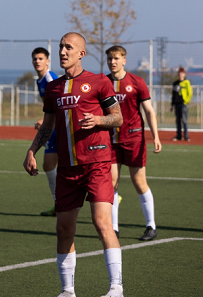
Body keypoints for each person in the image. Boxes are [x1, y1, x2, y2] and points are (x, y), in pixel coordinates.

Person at [24, 33, 124, 297]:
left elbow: (117, 118)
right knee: (63, 228)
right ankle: (68, 291)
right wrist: (32, 150)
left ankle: (116, 289)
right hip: (68, 169)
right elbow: (47, 125)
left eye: (69, 47)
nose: (63, 51)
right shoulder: (54, 88)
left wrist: (99, 121)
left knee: (102, 223)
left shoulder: (99, 81)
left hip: (98, 164)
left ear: (82, 53)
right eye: (60, 47)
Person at [105, 45, 162, 241]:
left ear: (124, 60)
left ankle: (151, 226)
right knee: (111, 184)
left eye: (116, 58)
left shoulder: (137, 82)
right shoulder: (103, 82)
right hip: (111, 141)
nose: (112, 62)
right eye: (110, 59)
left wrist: (155, 136)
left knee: (139, 182)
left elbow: (149, 111)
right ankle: (113, 228)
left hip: (134, 139)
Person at [31, 47, 60, 216]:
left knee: (73, 168)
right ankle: (58, 204)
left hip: (60, 128)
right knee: (48, 165)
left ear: (48, 61)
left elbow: (59, 103)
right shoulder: (39, 80)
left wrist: (45, 121)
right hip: (52, 129)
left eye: (41, 58)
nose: (37, 61)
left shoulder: (50, 78)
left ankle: (112, 195)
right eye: (35, 58)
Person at [171, 67, 192, 142]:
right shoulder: (175, 83)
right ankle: (179, 136)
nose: (180, 74)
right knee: (178, 121)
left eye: (181, 73)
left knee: (184, 120)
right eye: (179, 73)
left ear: (184, 74)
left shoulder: (186, 82)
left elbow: (189, 93)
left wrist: (185, 101)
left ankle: (186, 136)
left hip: (183, 104)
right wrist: (172, 104)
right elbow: (173, 94)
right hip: (176, 104)